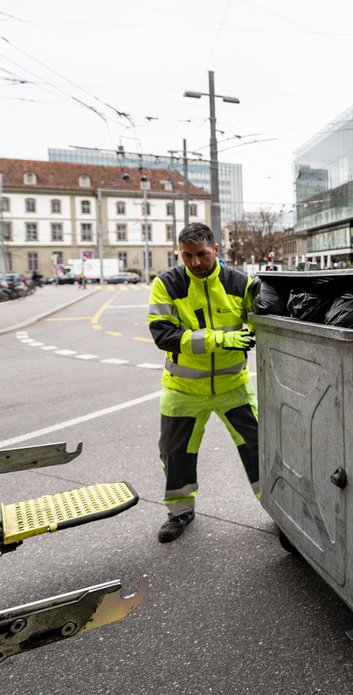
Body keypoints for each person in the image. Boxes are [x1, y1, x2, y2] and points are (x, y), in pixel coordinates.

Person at [146, 222, 260, 543]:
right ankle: (180, 511)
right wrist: (220, 340)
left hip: (232, 386)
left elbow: (262, 324)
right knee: (174, 452)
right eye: (187, 256)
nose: (195, 262)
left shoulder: (242, 283)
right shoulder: (166, 284)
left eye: (202, 254)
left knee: (259, 447)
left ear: (216, 251)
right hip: (182, 389)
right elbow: (163, 334)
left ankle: (277, 506)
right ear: (179, 254)